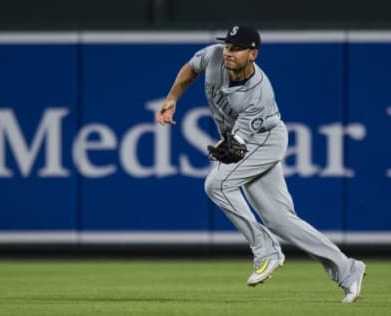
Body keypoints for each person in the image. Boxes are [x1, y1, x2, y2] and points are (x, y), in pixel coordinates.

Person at [155, 24, 366, 303]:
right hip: (243, 139)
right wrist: (172, 99)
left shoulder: (259, 93)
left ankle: (266, 250)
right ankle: (348, 269)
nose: (229, 52)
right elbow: (190, 69)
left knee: (217, 184)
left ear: (253, 54)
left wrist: (226, 145)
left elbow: (236, 145)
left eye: (237, 49)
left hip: (264, 139)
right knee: (280, 220)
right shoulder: (214, 55)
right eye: (228, 46)